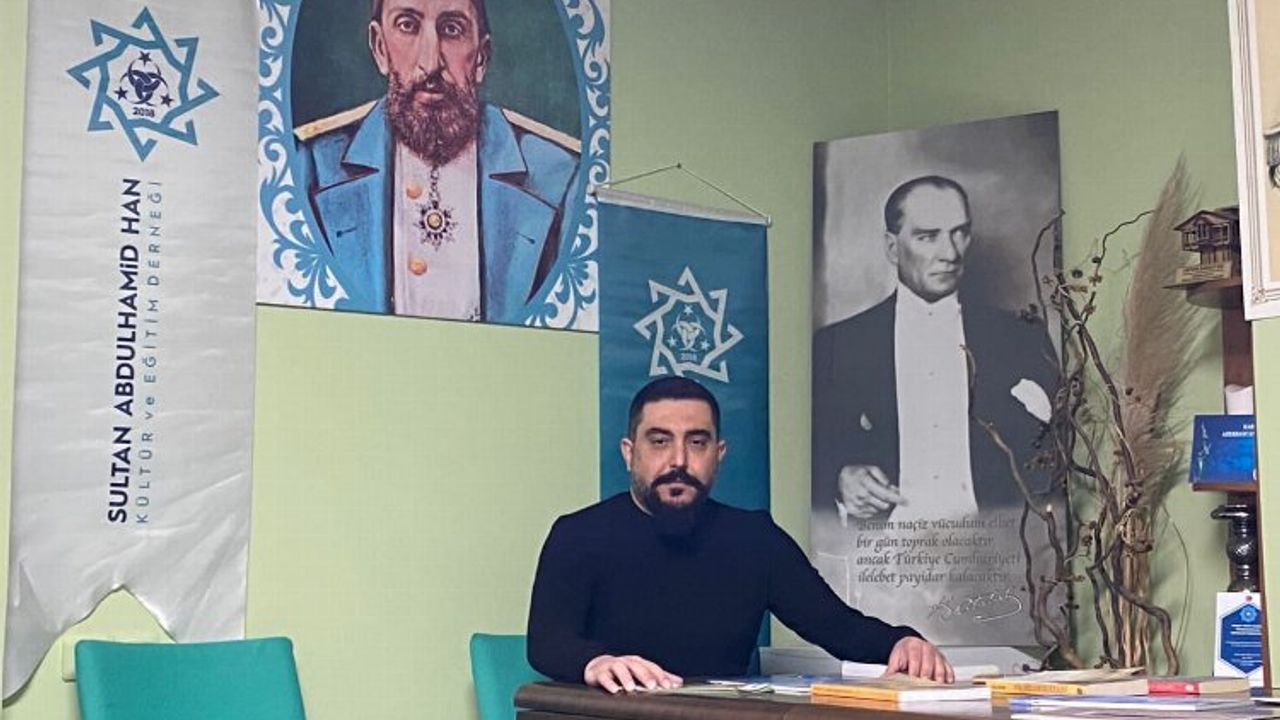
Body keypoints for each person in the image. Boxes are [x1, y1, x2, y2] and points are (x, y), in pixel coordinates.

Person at [527, 377, 953, 693]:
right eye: (659, 442)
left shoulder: (755, 540)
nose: (678, 461)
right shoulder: (578, 535)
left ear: (719, 455)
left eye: (697, 443)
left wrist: (902, 641)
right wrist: (597, 662)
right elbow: (547, 643)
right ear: (629, 453)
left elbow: (836, 626)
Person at [292, 0, 581, 323]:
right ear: (380, 47)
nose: (430, 63)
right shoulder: (315, 166)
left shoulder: (559, 177)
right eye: (407, 26)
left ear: (482, 57)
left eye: (452, 30)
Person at [812, 175, 1058, 523]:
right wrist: (840, 479)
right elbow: (812, 453)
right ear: (892, 247)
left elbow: (1058, 455)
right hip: (883, 548)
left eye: (960, 233)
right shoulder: (837, 345)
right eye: (928, 237)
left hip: (999, 543)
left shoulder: (1023, 337)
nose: (950, 253)